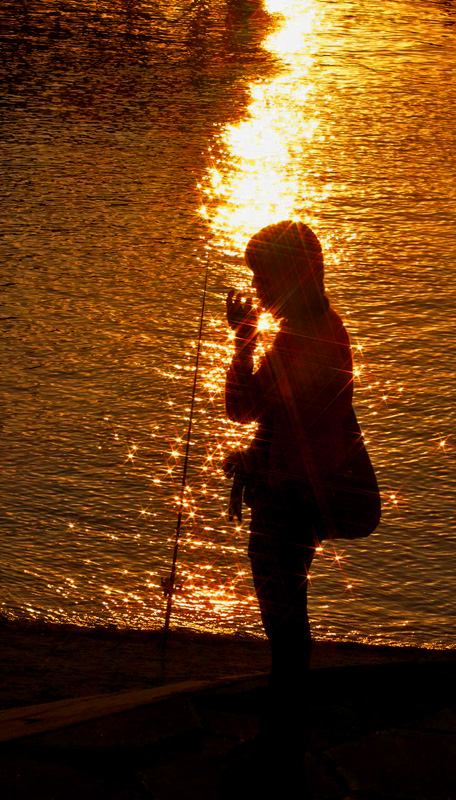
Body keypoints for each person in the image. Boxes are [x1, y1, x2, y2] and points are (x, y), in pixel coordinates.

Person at [224, 220, 354, 792]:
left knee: (286, 631)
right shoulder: (315, 328)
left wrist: (246, 341)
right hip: (290, 494)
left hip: (289, 504)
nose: (259, 284)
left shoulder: (308, 338)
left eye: (264, 273)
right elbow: (268, 418)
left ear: (293, 273)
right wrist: (249, 339)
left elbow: (246, 410)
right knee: (286, 628)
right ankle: (279, 741)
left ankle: (281, 750)